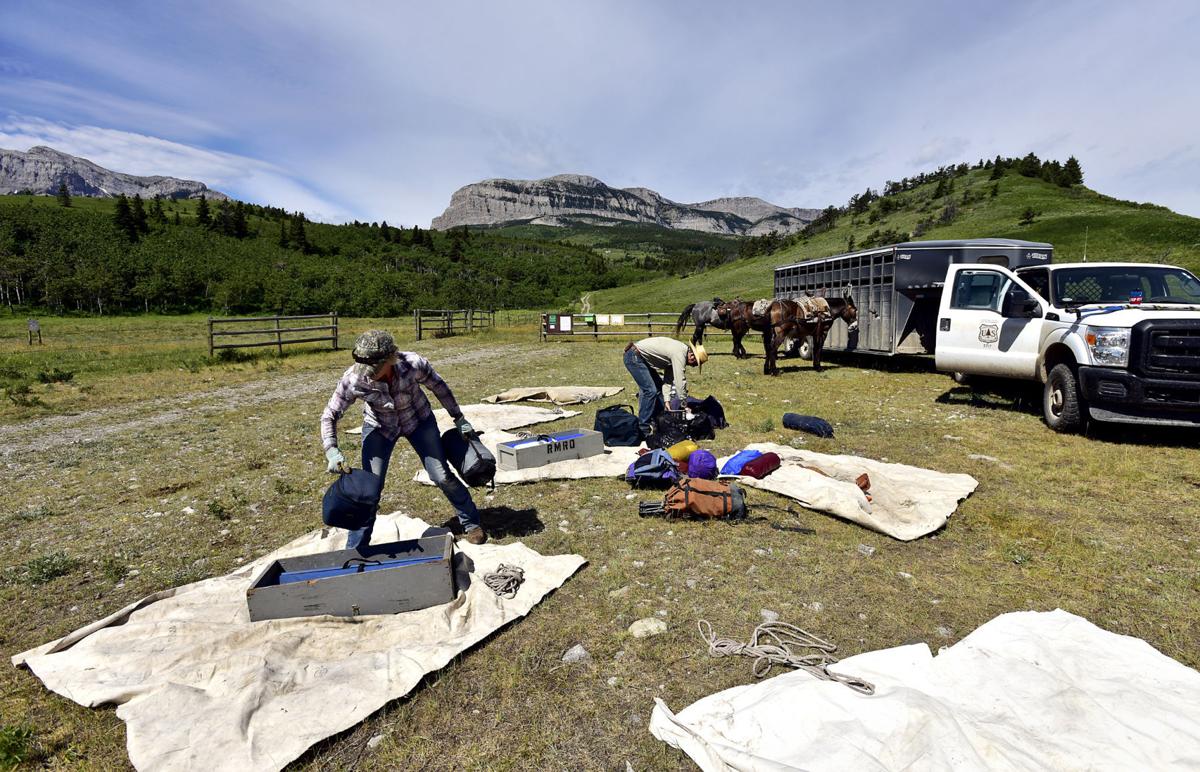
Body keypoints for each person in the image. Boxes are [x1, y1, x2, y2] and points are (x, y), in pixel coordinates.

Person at [320, 330, 485, 548]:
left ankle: (471, 523)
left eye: (375, 369)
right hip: (380, 427)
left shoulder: (413, 364)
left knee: (441, 475)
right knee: (369, 489)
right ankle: (356, 547)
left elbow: (439, 388)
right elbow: (329, 414)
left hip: (418, 420)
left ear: (391, 358)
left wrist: (459, 417)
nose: (369, 375)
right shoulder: (353, 379)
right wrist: (331, 449)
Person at [623, 336, 707, 437]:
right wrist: (684, 404)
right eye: (696, 363)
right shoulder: (680, 354)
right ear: (692, 357)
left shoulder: (679, 353)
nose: (693, 366)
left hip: (641, 359)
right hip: (634, 357)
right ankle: (643, 429)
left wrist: (667, 401)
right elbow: (680, 381)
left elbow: (668, 380)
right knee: (650, 391)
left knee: (657, 389)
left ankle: (657, 422)